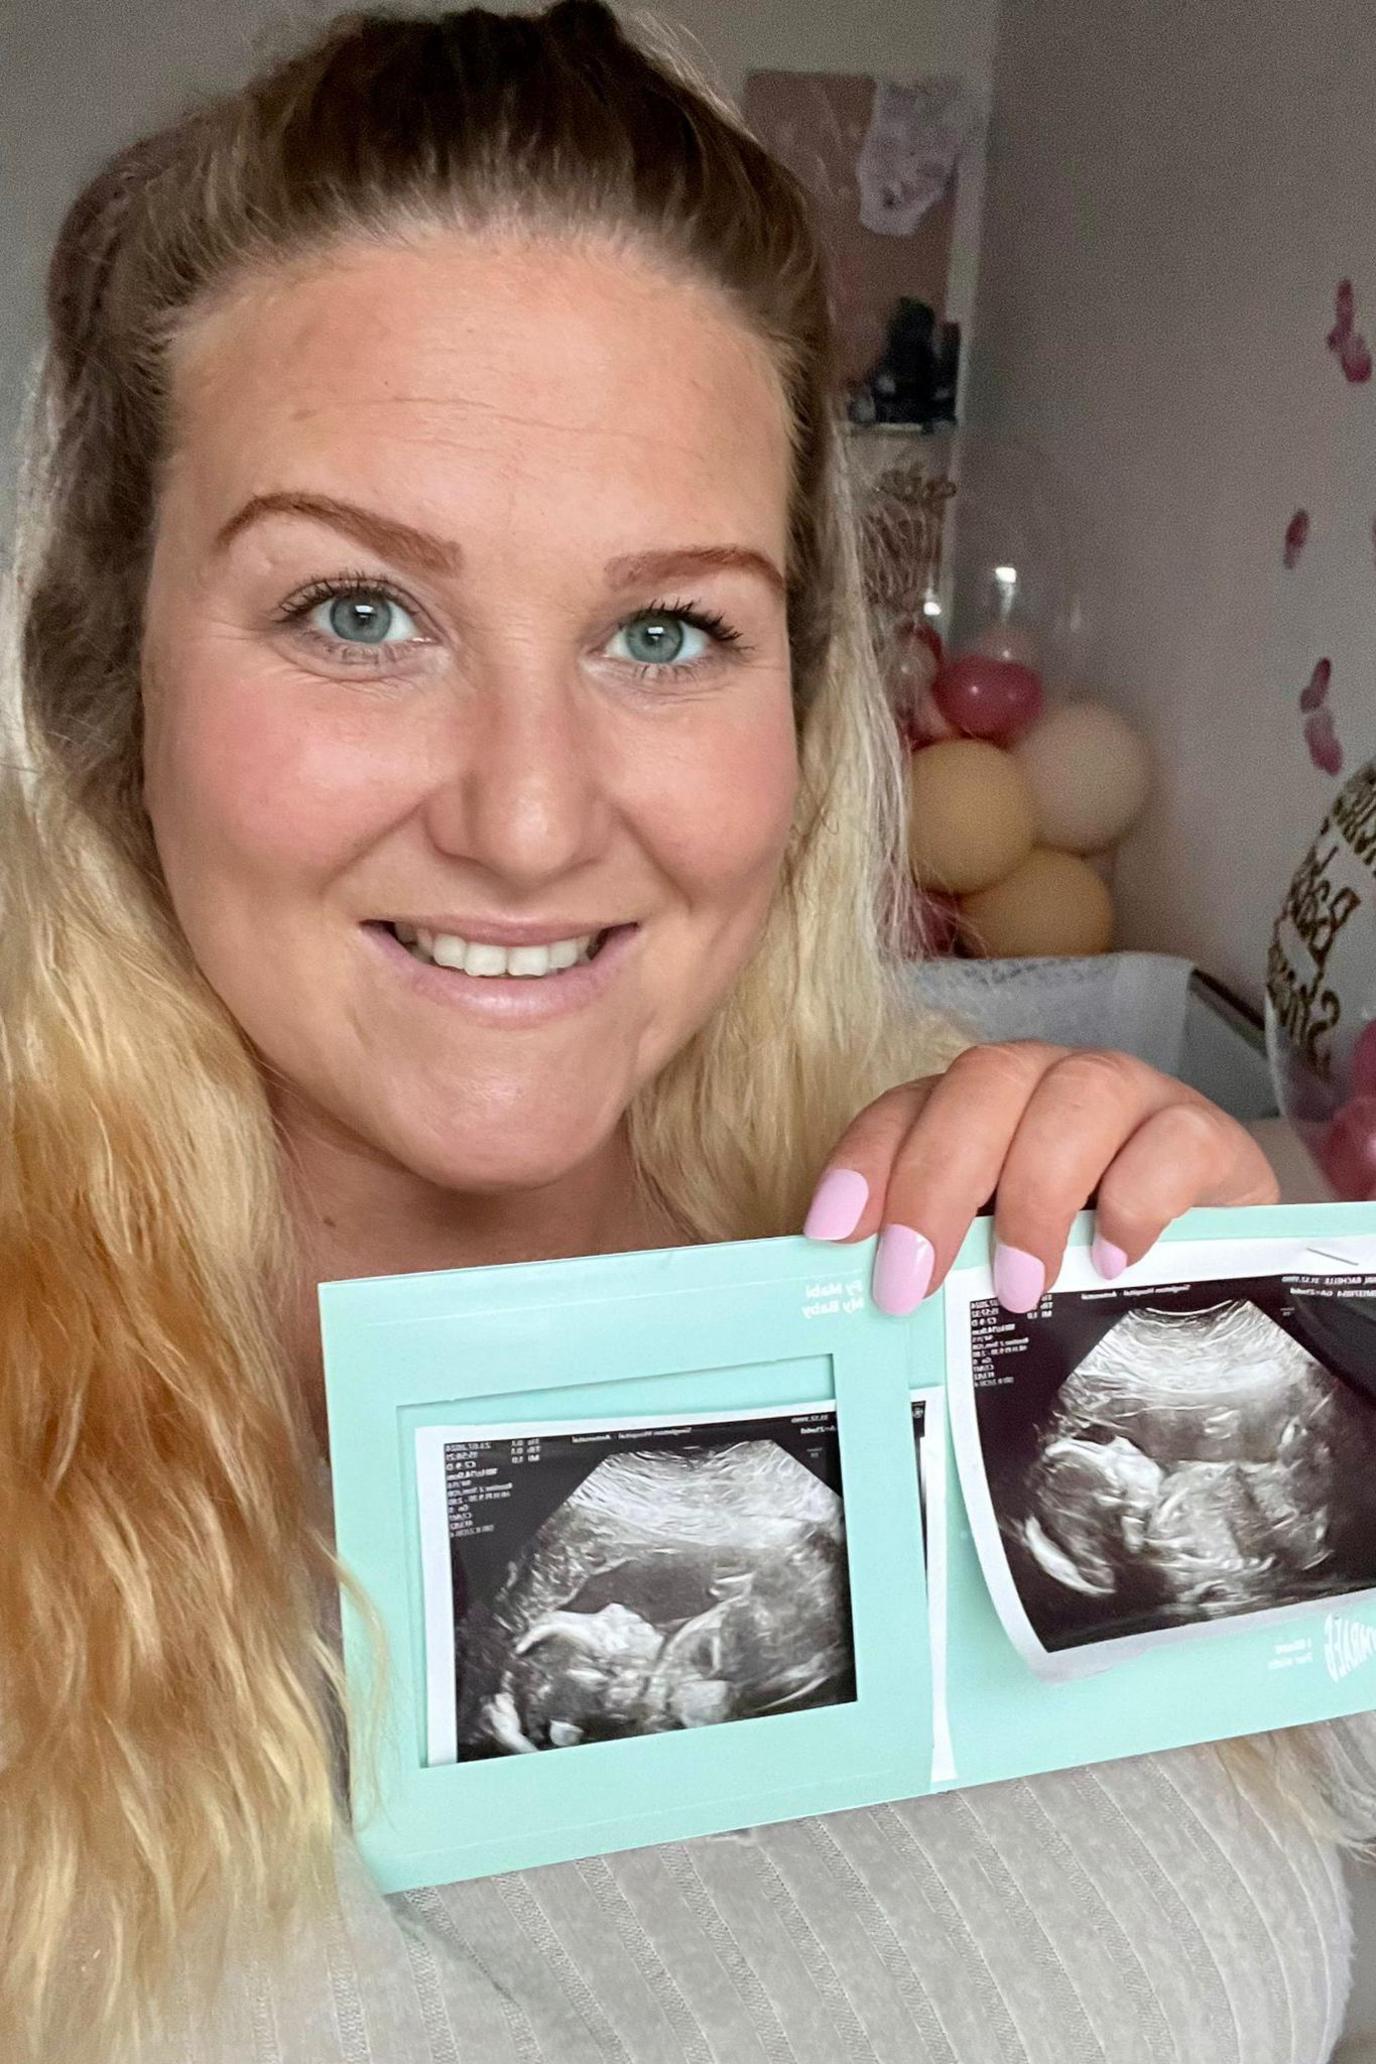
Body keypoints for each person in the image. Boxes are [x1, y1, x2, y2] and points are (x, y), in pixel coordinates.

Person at [0, 5, 1367, 2059]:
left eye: (666, 632)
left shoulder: (976, 1257)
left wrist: (1271, 1360)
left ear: (797, 720)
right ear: (113, 684)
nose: (531, 817)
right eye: (357, 611)